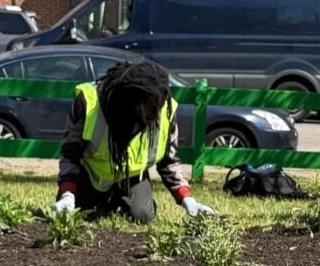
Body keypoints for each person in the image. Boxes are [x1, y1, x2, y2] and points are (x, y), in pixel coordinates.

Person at [54, 60, 218, 222]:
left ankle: (121, 200)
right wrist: (67, 194)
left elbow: (169, 161)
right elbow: (70, 153)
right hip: (90, 175)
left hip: (132, 178)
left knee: (143, 216)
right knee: (77, 215)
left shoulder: (164, 110)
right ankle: (98, 200)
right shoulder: (89, 103)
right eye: (145, 111)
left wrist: (187, 199)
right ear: (128, 104)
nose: (150, 117)